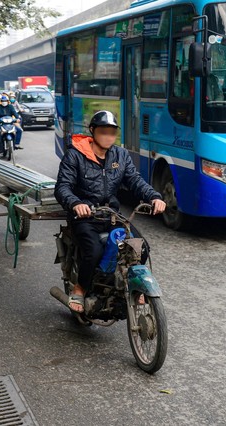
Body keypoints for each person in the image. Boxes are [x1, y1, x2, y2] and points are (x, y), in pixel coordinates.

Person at [54, 110, 167, 313]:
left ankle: (133, 284)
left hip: (111, 215)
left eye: (112, 133)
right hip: (85, 216)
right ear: (92, 131)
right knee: (94, 251)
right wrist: (76, 204)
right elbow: (62, 187)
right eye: (103, 131)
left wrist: (154, 196)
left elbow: (134, 180)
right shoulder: (75, 155)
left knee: (140, 247)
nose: (108, 137)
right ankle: (80, 288)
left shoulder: (120, 155)